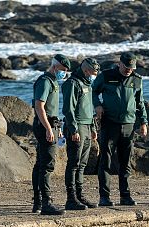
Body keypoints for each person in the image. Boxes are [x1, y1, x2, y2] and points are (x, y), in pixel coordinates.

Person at [92, 51, 148, 207]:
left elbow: (140, 102)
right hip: (109, 123)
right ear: (119, 64)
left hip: (128, 125)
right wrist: (97, 105)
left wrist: (143, 123)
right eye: (127, 67)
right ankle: (104, 197)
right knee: (106, 161)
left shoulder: (137, 80)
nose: (129, 69)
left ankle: (125, 196)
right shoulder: (106, 75)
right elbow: (93, 91)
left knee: (125, 162)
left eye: (132, 67)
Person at [32, 53, 71, 215]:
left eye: (66, 71)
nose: (64, 73)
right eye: (62, 70)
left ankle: (38, 202)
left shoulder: (54, 81)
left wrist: (57, 127)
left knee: (41, 163)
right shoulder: (44, 81)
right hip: (44, 124)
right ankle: (46, 202)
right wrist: (48, 128)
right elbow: (39, 106)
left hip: (52, 123)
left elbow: (51, 108)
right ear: (54, 67)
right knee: (47, 164)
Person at [62, 57, 100, 210]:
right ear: (85, 70)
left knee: (82, 164)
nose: (95, 75)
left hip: (86, 126)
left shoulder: (87, 84)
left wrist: (93, 128)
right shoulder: (72, 84)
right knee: (73, 163)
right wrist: (73, 129)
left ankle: (80, 195)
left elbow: (89, 108)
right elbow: (68, 109)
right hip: (76, 127)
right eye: (93, 72)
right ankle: (71, 198)